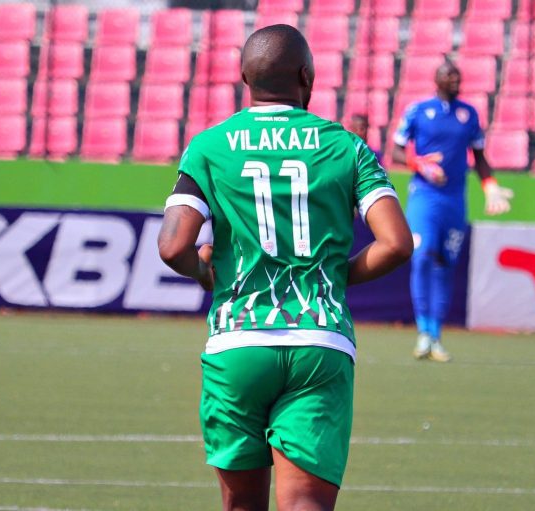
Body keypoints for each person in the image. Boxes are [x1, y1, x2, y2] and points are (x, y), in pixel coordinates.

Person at [158, 25, 413, 511]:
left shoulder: (209, 147)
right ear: (306, 75)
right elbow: (396, 243)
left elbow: (173, 247)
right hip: (319, 340)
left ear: (244, 78)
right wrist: (340, 274)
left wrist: (205, 271)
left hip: (238, 342)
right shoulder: (347, 147)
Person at [391, 61, 513, 362]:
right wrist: (420, 165)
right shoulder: (418, 111)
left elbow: (480, 157)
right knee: (421, 257)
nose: (455, 79)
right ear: (437, 79)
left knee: (445, 263)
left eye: (458, 75)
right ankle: (422, 332)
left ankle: (436, 335)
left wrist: (490, 186)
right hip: (425, 198)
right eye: (449, 75)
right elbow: (395, 150)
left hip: (455, 200)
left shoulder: (468, 114)